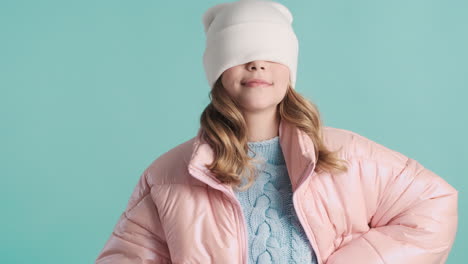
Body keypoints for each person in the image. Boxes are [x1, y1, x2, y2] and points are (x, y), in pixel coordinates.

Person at [95, 0, 458, 263]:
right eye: (239, 52)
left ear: (289, 68)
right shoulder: (168, 176)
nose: (257, 62)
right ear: (216, 70)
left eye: (271, 52)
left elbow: (434, 204)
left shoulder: (347, 156)